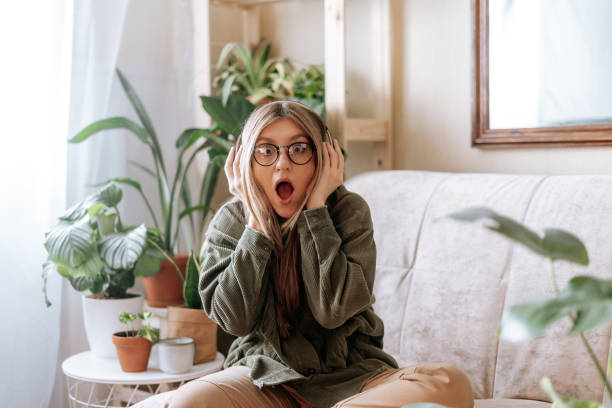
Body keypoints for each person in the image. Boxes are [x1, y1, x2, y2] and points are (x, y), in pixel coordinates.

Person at [165, 101, 474, 408]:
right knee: (189, 401)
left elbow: (333, 310)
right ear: (247, 161)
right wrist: (256, 223)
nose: (282, 164)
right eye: (265, 150)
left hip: (354, 379)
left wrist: (316, 211)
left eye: (299, 149)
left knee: (449, 382)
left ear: (323, 159)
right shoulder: (232, 220)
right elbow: (234, 320)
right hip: (266, 377)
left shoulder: (349, 212)